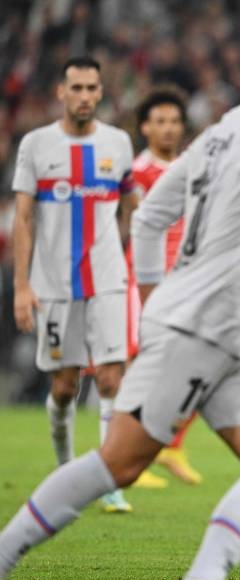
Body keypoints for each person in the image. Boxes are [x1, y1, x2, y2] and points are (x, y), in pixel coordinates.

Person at [0, 13, 240, 580]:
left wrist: (157, 292)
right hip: (199, 328)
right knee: (119, 465)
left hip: (217, 333)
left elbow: (153, 210)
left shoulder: (220, 131)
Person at [11, 56, 138, 514]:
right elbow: (23, 219)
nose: (84, 95)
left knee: (110, 377)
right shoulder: (36, 145)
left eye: (92, 88)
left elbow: (130, 203)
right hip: (55, 284)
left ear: (101, 92)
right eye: (76, 87)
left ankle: (107, 481)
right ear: (61, 93)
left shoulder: (118, 143)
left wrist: (123, 252)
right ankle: (67, 471)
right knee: (65, 387)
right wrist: (22, 286)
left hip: (107, 278)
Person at [127, 86, 203, 488]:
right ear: (144, 127)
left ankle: (172, 446)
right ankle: (132, 455)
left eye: (175, 121)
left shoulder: (193, 168)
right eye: (160, 121)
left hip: (188, 277)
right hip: (145, 282)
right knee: (143, 366)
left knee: (196, 362)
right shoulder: (136, 172)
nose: (169, 129)